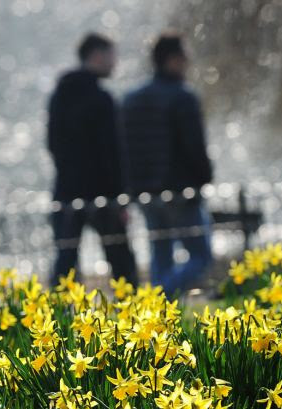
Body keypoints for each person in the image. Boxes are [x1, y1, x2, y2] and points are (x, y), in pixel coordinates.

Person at [122, 32, 214, 295]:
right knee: (201, 255)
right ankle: (158, 299)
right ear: (172, 60)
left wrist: (132, 188)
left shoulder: (131, 100)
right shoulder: (183, 97)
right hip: (180, 191)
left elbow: (124, 150)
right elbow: (194, 147)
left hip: (145, 192)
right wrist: (203, 178)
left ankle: (159, 320)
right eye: (185, 57)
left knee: (160, 254)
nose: (188, 63)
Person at [47, 33, 138, 286]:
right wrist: (121, 197)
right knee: (121, 263)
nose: (114, 63)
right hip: (103, 195)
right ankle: (133, 315)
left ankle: (56, 319)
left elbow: (53, 144)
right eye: (111, 56)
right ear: (96, 55)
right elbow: (113, 153)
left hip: (67, 191)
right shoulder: (102, 99)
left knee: (65, 263)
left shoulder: (59, 96)